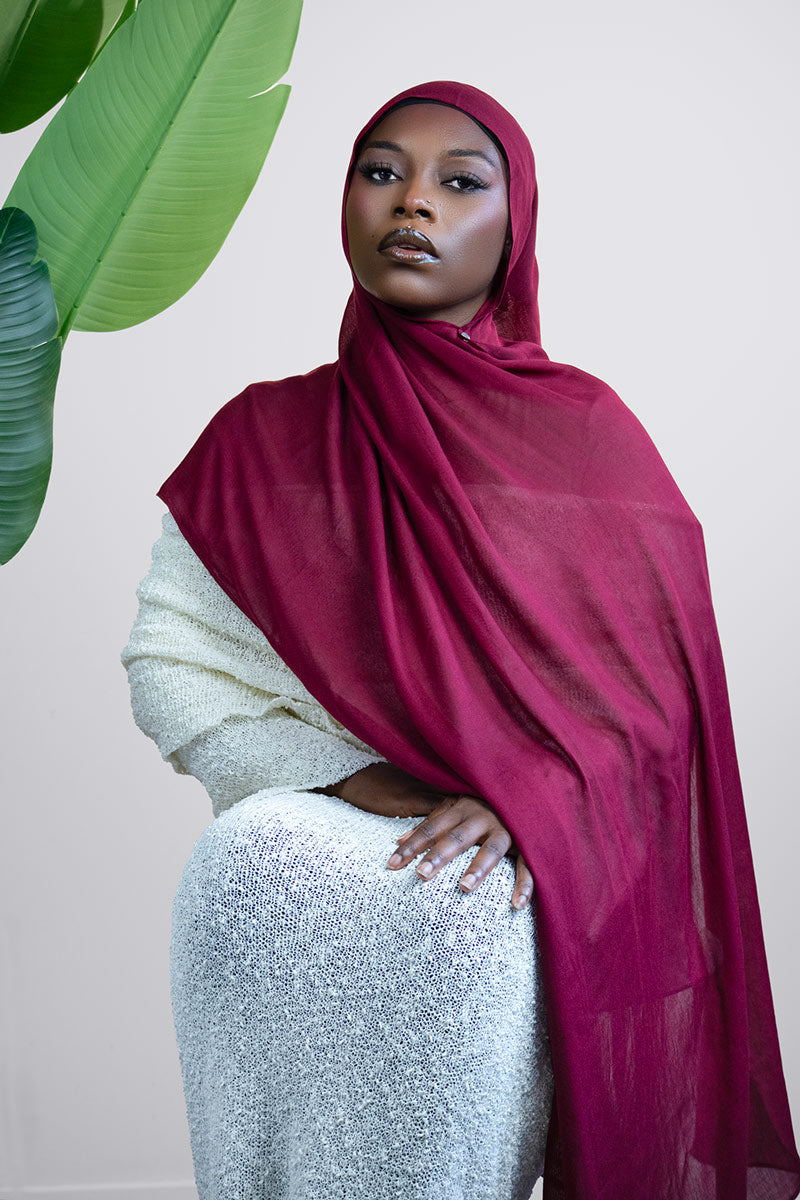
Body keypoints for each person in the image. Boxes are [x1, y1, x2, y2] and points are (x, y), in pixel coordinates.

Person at [122, 81, 800, 1199]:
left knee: (464, 919)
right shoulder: (262, 435)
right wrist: (357, 777)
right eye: (380, 172)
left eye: (458, 181)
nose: (413, 204)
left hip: (510, 881)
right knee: (247, 867)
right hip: (289, 857)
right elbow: (173, 663)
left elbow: (650, 710)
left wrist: (530, 796)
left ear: (513, 221)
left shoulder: (585, 441)